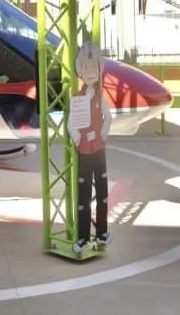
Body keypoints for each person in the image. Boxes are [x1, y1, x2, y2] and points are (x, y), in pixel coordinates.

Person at [69, 40, 112, 253]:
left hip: (99, 150)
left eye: (93, 67)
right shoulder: (77, 99)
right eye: (86, 68)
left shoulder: (100, 97)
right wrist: (78, 138)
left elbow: (108, 117)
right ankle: (83, 237)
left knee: (102, 192)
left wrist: (103, 133)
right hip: (84, 151)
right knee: (83, 194)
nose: (90, 72)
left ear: (99, 68)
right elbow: (71, 123)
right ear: (80, 71)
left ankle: (102, 232)